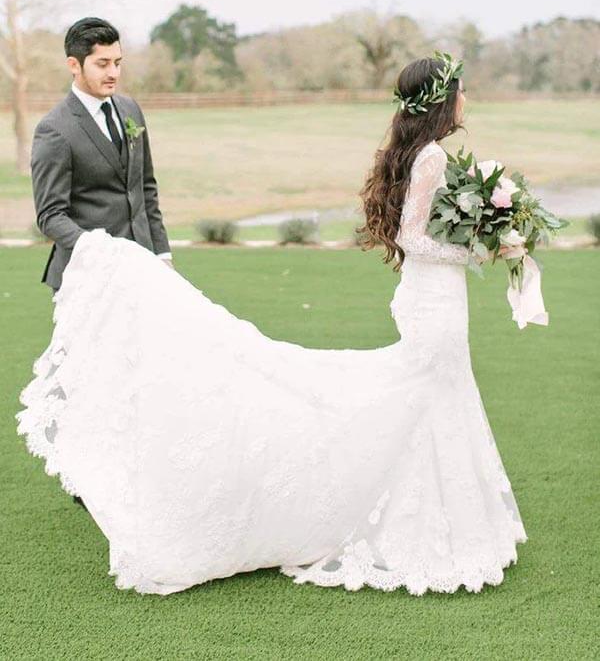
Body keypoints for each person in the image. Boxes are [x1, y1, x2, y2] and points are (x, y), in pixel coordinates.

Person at [17, 54, 527, 596]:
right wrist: (480, 242)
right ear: (443, 100)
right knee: (420, 396)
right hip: (433, 300)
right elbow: (414, 237)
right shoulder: (428, 158)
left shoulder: (422, 153)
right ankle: (411, 519)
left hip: (433, 301)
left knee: (436, 398)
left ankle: (446, 514)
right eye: (462, 91)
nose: (467, 100)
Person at [30, 16, 172, 296]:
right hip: (86, 280)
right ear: (74, 65)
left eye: (117, 63)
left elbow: (145, 188)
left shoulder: (130, 110)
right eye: (102, 64)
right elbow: (50, 215)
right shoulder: (54, 130)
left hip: (143, 271)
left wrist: (161, 253)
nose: (114, 73)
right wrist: (99, 251)